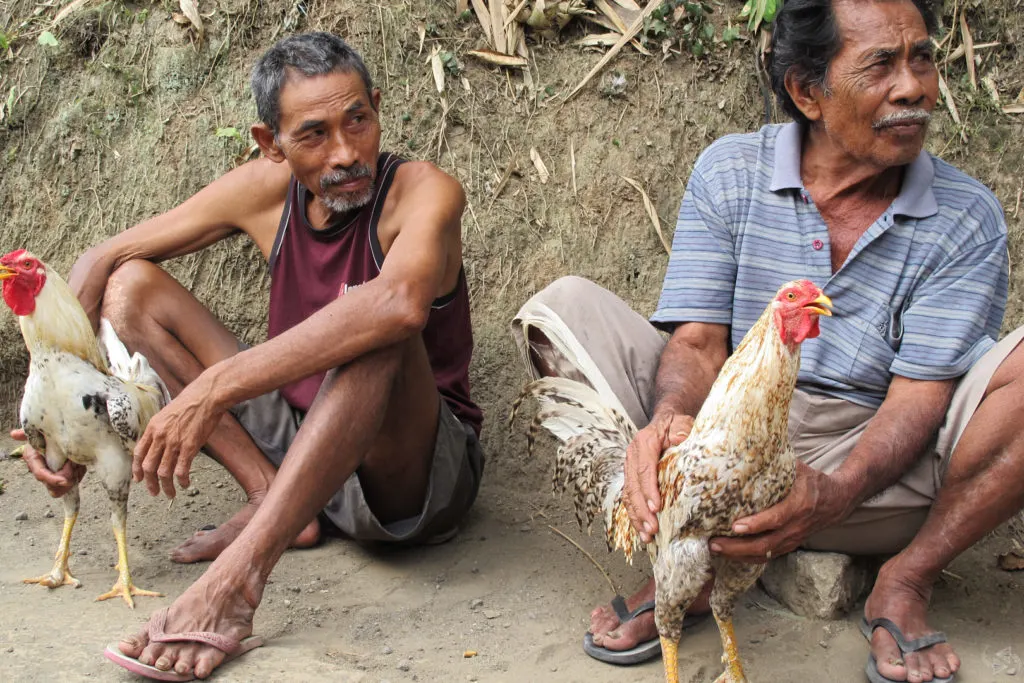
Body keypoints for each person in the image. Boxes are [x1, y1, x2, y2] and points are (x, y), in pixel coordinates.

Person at [513, 1, 1023, 682]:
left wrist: (834, 491)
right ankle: (686, 563)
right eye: (881, 64)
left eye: (923, 58)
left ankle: (906, 576)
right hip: (726, 450)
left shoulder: (965, 216)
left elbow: (920, 398)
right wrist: (670, 427)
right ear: (806, 91)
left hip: (874, 470)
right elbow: (696, 343)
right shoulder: (730, 171)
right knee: (562, 308)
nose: (914, 87)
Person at [15, 31, 484, 679]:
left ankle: (234, 584)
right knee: (130, 292)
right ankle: (273, 500)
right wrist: (70, 425)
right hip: (301, 433)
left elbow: (401, 304)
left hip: (411, 474)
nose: (346, 152)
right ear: (270, 146)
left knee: (379, 325)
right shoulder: (265, 192)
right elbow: (102, 260)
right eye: (314, 134)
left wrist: (216, 388)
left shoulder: (424, 190)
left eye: (358, 121)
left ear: (377, 107)